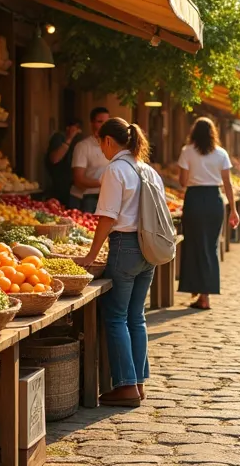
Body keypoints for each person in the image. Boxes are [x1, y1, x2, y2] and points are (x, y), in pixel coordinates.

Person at [81, 118, 165, 407]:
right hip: (147, 250)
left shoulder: (115, 170)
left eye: (100, 143)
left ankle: (126, 387)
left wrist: (91, 255)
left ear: (108, 141)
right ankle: (138, 383)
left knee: (116, 317)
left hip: (125, 247)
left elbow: (108, 217)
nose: (101, 149)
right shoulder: (148, 170)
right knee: (136, 316)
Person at [177, 117, 238, 309]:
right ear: (213, 133)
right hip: (214, 199)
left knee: (193, 245)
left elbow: (183, 182)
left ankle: (199, 293)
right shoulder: (221, 153)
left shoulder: (187, 151)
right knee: (210, 247)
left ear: (194, 132)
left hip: (194, 199)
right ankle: (204, 294)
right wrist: (233, 210)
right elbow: (228, 183)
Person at [70, 107, 111, 213]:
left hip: (106, 198)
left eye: (107, 122)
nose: (104, 125)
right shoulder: (83, 147)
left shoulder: (113, 146)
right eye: (100, 122)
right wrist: (105, 182)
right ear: (92, 124)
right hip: (86, 199)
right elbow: (78, 180)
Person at [45, 118, 82, 203]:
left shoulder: (80, 140)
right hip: (59, 185)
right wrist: (69, 139)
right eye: (75, 128)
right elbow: (55, 158)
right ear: (68, 128)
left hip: (75, 187)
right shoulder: (59, 137)